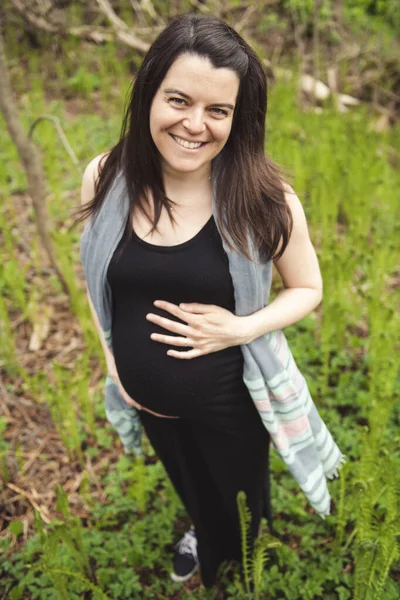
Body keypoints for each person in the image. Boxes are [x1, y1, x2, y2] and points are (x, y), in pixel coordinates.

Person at [76, 12, 343, 591]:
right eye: (179, 100)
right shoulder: (105, 177)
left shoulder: (264, 199)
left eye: (218, 110)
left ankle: (242, 565)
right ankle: (202, 527)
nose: (195, 124)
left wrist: (240, 328)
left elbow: (309, 289)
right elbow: (103, 287)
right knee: (188, 479)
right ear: (149, 92)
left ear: (237, 117)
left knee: (242, 494)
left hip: (233, 401)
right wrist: (115, 363)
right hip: (147, 399)